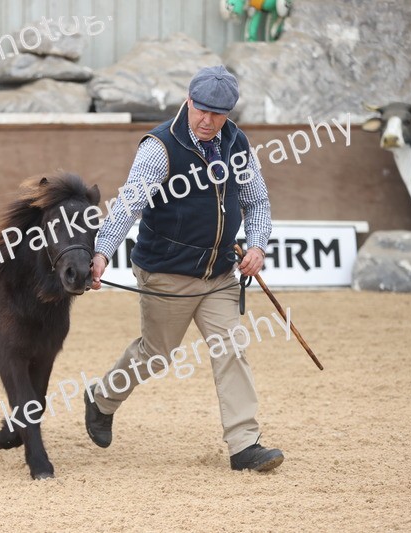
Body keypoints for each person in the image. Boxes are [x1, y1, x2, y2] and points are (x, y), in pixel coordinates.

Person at [84, 65, 284, 472]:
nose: (208, 121)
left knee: (231, 349)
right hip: (166, 274)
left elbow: (256, 201)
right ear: (189, 101)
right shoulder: (159, 146)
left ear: (230, 113)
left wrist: (258, 244)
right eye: (202, 110)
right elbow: (128, 205)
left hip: (219, 276)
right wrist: (102, 252)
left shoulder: (237, 144)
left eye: (219, 114)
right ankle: (102, 398)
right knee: (156, 355)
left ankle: (244, 445)